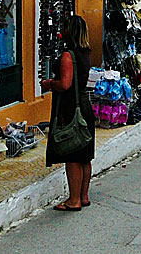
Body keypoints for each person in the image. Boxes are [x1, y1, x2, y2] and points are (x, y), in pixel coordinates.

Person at [41, 15, 96, 212]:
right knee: (84, 155)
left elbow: (65, 84)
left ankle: (73, 200)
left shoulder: (68, 55)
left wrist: (49, 84)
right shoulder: (85, 53)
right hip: (84, 105)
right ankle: (83, 196)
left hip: (70, 107)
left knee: (72, 154)